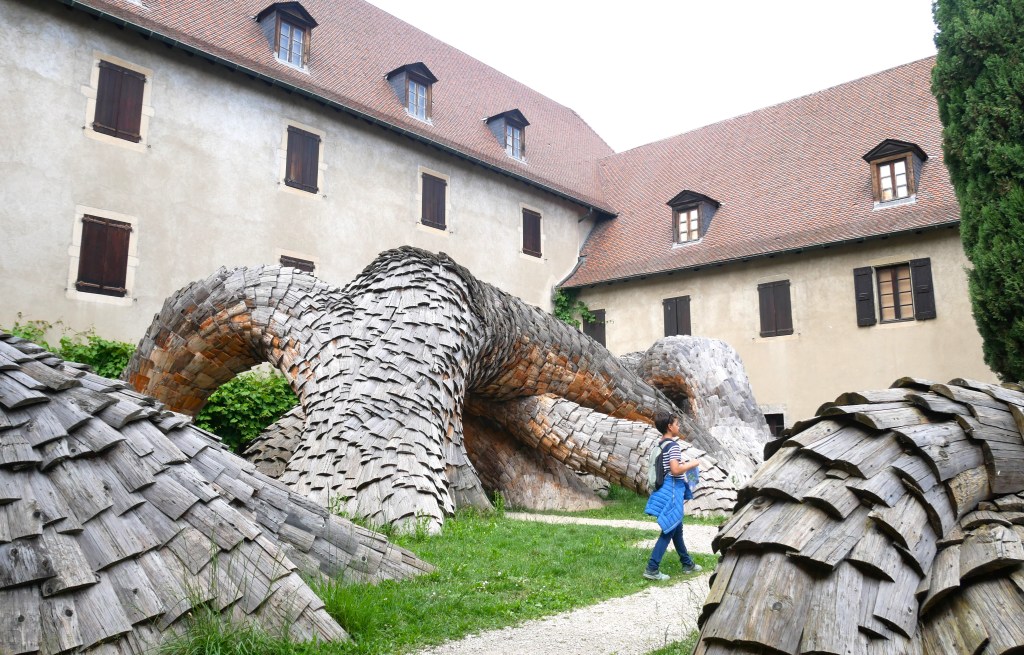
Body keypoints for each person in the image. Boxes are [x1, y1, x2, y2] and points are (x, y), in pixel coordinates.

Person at [643, 411, 702, 580]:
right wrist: (693, 463)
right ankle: (652, 568)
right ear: (669, 426)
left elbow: (670, 466)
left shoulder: (660, 444)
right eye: (677, 424)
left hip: (664, 488)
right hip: (673, 490)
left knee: (677, 528)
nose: (679, 426)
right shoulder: (673, 446)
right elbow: (675, 470)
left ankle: (687, 563)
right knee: (669, 529)